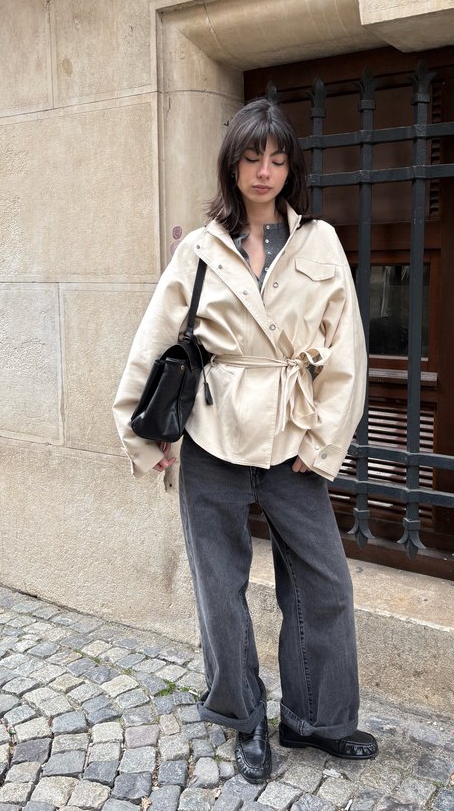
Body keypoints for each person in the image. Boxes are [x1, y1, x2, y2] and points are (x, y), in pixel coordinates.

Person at [113, 98, 378, 784]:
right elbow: (155, 341)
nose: (265, 171)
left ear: (292, 166)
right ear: (232, 163)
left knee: (324, 585)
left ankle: (314, 717)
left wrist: (320, 444)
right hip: (212, 436)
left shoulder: (319, 242)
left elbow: (345, 354)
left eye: (278, 157)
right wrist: (146, 437)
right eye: (252, 156)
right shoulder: (199, 248)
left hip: (292, 437)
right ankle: (244, 718)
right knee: (219, 589)